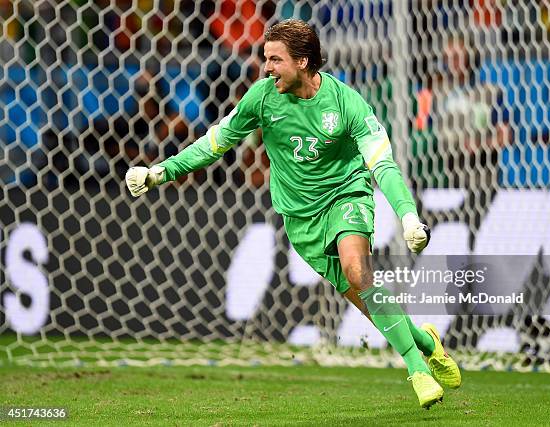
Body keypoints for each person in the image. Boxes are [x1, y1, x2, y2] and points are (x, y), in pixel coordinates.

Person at [126, 19, 461, 409]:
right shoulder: (262, 99)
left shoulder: (345, 102)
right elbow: (214, 143)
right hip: (301, 221)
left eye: (275, 59)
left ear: (303, 62)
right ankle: (426, 341)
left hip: (345, 195)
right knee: (368, 300)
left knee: (358, 270)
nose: (266, 68)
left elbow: (381, 163)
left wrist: (406, 215)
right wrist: (160, 172)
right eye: (266, 58)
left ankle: (417, 370)